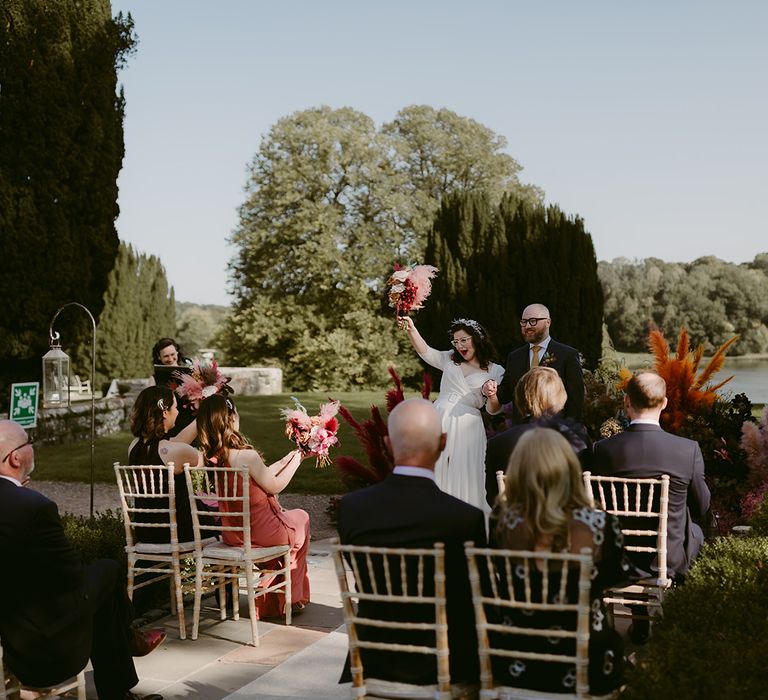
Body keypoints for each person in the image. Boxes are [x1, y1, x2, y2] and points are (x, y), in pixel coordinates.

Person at [0, 419, 164, 700]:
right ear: (15, 457)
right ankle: (126, 651)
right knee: (106, 573)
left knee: (99, 589)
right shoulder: (35, 508)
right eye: (29, 443)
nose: (32, 448)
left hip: (10, 624)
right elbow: (73, 576)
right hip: (45, 642)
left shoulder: (25, 504)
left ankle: (124, 664)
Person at [337, 398, 487, 686]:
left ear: (388, 445)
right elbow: (475, 599)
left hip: (375, 657)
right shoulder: (465, 518)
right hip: (447, 663)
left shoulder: (353, 508)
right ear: (443, 443)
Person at [490, 428, 630, 694]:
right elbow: (617, 579)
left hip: (517, 653)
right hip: (589, 659)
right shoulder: (600, 523)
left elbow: (499, 571)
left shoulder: (501, 520)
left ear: (519, 470)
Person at [196, 394, 311, 618]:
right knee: (302, 518)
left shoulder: (213, 457)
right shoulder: (246, 456)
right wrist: (298, 461)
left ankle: (273, 594)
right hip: (262, 534)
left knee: (292, 528)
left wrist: (288, 458)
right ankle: (291, 598)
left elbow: (263, 473)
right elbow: (275, 486)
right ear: (231, 419)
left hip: (233, 535)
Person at [592, 371, 711, 582]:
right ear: (664, 403)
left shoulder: (603, 450)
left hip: (616, 559)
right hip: (667, 560)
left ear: (626, 402)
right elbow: (701, 506)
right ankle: (680, 606)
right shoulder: (686, 450)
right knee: (696, 532)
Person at [399, 316, 504, 512]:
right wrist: (411, 329)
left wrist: (492, 396)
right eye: (456, 341)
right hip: (439, 419)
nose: (459, 345)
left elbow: (494, 410)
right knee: (435, 466)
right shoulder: (449, 358)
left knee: (465, 472)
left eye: (464, 340)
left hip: (468, 425)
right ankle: (431, 514)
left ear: (477, 338)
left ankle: (466, 517)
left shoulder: (496, 371)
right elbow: (426, 352)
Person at [484, 367, 589, 506]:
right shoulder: (576, 437)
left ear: (520, 397)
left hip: (517, 523)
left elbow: (493, 497)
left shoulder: (498, 443)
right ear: (560, 398)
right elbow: (587, 488)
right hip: (567, 521)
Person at [128, 385, 203, 544]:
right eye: (175, 407)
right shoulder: (174, 451)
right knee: (221, 516)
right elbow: (207, 459)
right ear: (164, 412)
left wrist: (200, 417)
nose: (177, 412)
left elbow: (174, 444)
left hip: (146, 531)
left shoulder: (133, 447)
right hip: (178, 531)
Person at [489, 303, 584, 423]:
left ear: (548, 322)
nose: (527, 326)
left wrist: (569, 431)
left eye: (533, 321)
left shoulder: (567, 355)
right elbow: (507, 393)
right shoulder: (514, 357)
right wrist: (490, 390)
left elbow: (576, 400)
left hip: (555, 430)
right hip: (521, 432)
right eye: (524, 322)